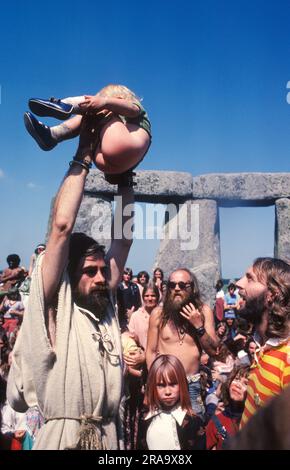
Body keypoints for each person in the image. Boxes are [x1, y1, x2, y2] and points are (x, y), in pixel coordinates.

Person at [7, 115, 135, 450]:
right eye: (89, 271)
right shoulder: (54, 306)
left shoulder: (103, 304)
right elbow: (61, 228)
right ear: (67, 274)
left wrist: (125, 179)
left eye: (101, 270)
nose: (99, 277)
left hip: (110, 438)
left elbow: (122, 242)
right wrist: (83, 156)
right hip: (64, 440)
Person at [24, 84, 151, 184]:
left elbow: (133, 110)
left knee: (95, 111)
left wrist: (105, 102)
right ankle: (53, 134)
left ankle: (66, 106)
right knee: (90, 118)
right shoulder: (123, 129)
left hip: (120, 148)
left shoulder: (135, 107)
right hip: (116, 167)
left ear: (121, 98)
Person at [146, 268, 219, 420]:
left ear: (192, 288)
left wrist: (198, 326)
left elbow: (214, 351)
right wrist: (152, 384)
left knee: (194, 432)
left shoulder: (204, 312)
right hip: (164, 385)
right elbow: (151, 352)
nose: (177, 289)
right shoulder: (158, 315)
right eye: (172, 285)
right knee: (164, 432)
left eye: (182, 285)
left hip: (191, 385)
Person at [235, 257, 290, 428]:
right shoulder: (263, 347)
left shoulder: (287, 359)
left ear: (271, 295)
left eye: (250, 278)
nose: (238, 283)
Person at [138, 354, 205, 450]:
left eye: (173, 384)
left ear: (182, 384)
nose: (168, 392)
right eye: (161, 385)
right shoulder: (145, 419)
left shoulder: (193, 422)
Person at [206, 365, 250, 450]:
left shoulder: (256, 422)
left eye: (246, 383)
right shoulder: (215, 422)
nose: (238, 385)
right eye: (236, 379)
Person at [117, 268, 142, 332]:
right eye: (126, 274)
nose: (127, 276)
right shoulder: (118, 287)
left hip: (132, 311)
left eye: (129, 274)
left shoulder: (134, 286)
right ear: (122, 275)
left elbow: (137, 299)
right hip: (121, 313)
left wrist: (132, 310)